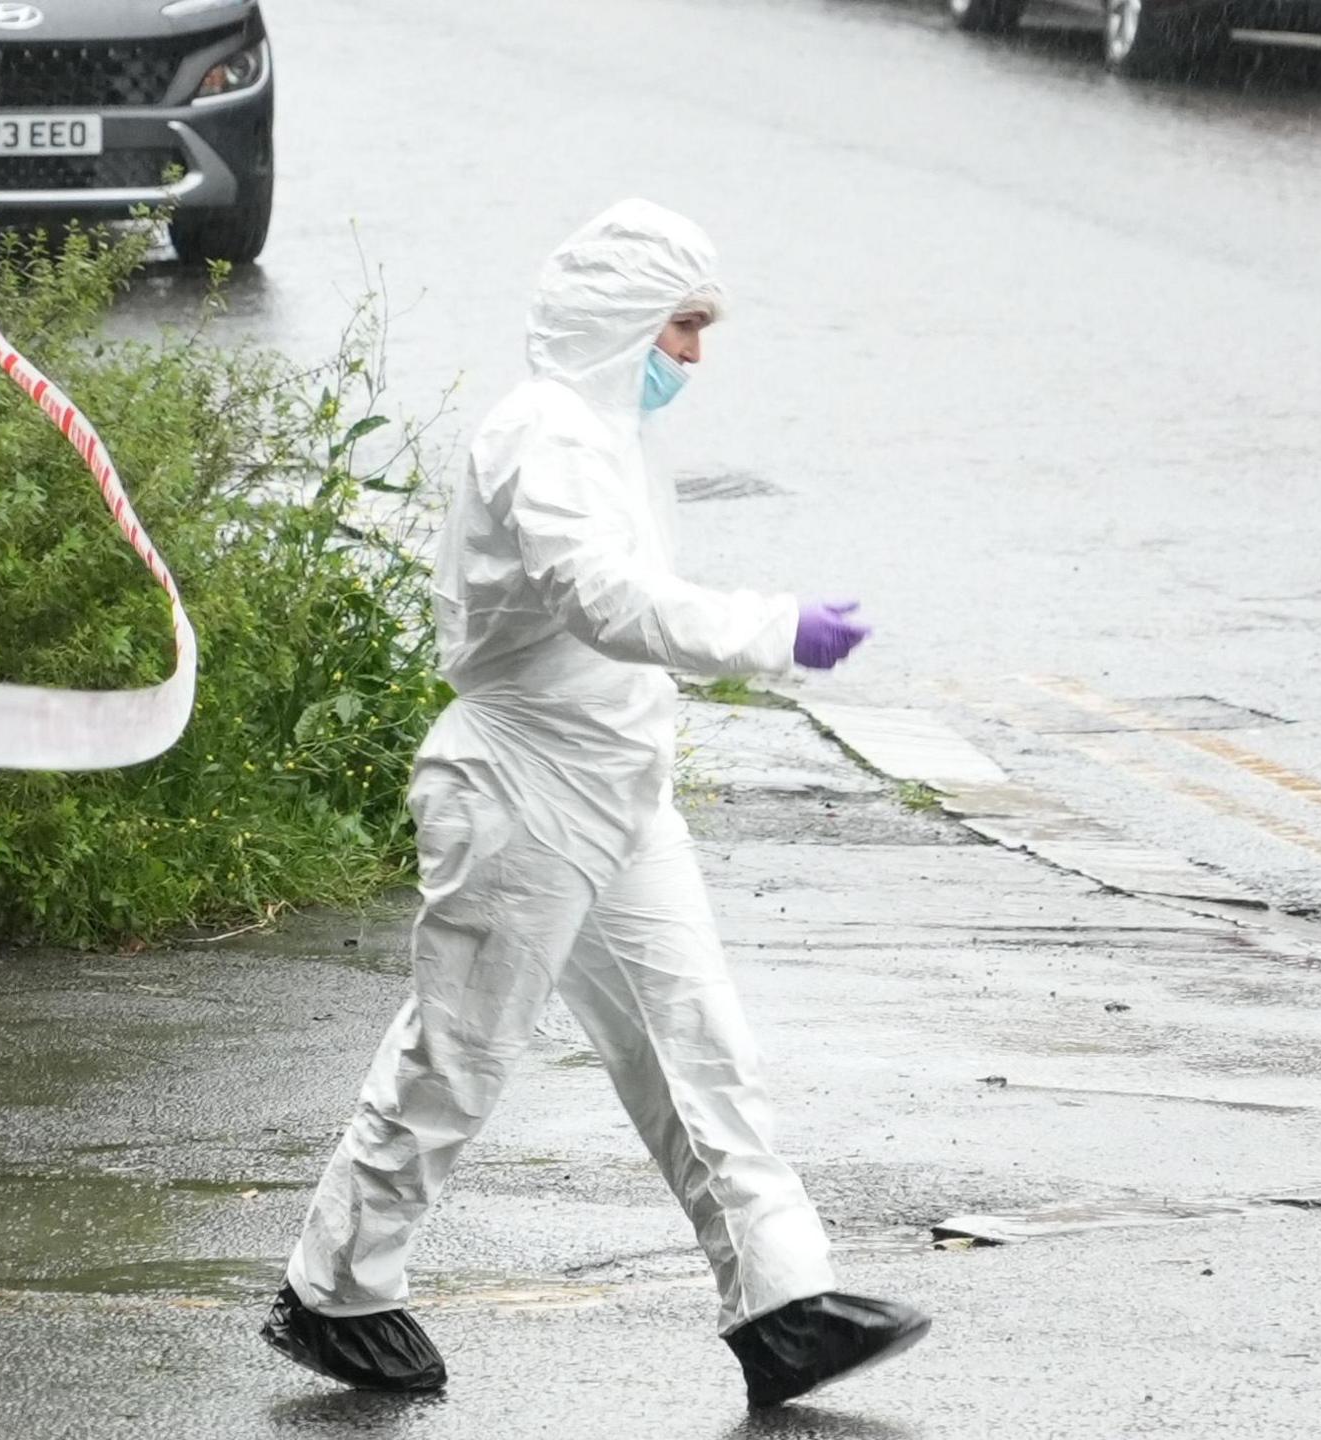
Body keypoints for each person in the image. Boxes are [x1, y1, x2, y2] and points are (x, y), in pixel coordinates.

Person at [261, 199, 927, 1409]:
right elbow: (603, 602)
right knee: (457, 1054)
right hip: (520, 788)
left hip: (613, 788)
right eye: (681, 328)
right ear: (626, 319)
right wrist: (775, 628)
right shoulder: (543, 438)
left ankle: (782, 1303)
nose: (692, 357)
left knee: (696, 1045)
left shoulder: (605, 435)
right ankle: (336, 1292)